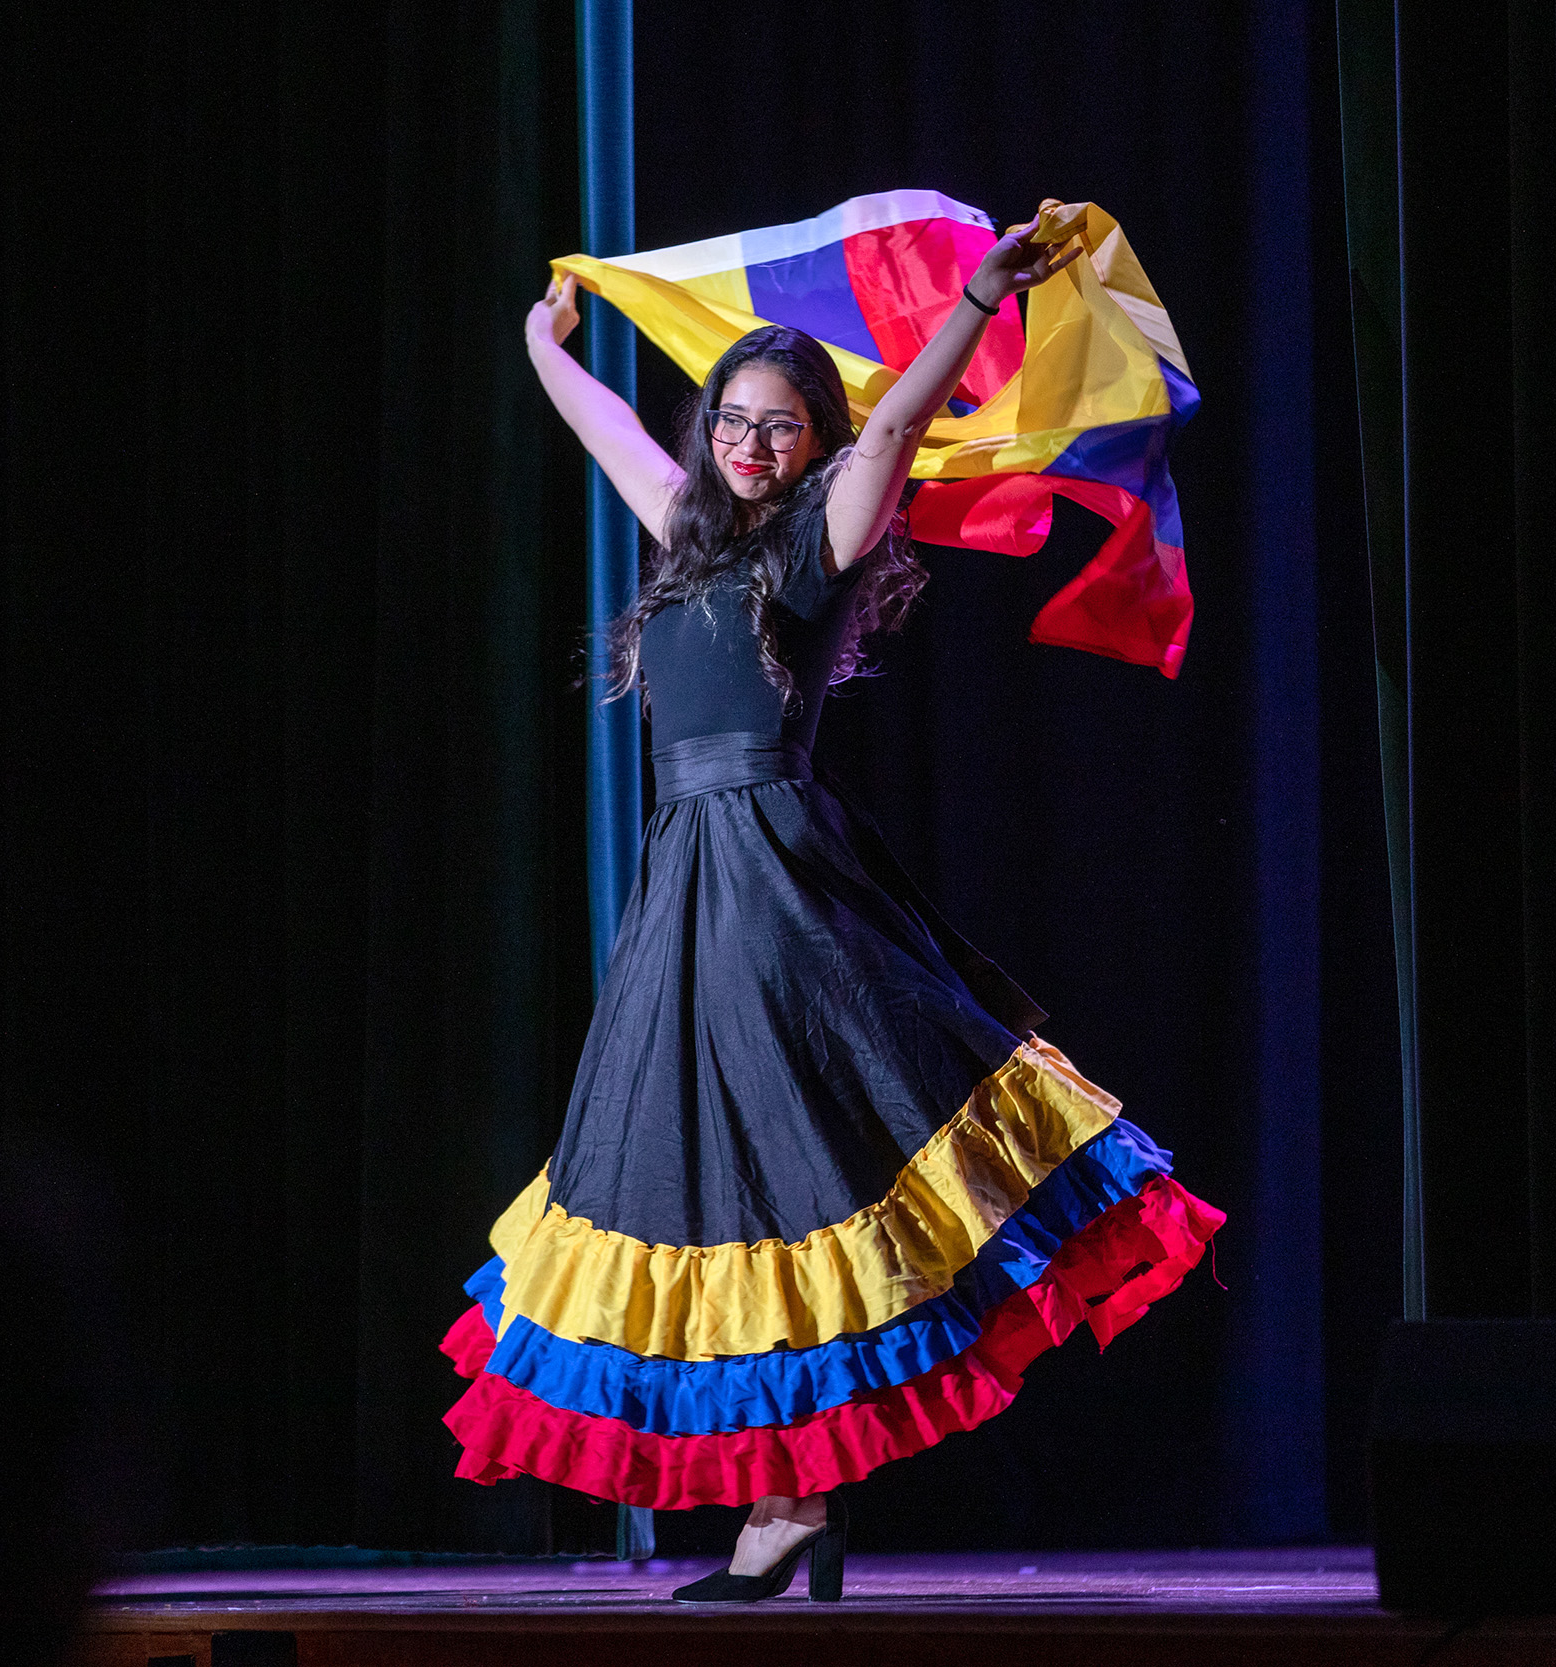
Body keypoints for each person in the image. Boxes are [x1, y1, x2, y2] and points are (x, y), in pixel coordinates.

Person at [439, 216, 1223, 1603]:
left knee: (776, 1174)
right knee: (717, 1184)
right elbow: (611, 432)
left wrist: (974, 301)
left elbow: (897, 427)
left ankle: (792, 1502)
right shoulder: (688, 539)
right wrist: (542, 349)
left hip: (771, 882)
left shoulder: (819, 545)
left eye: (781, 427)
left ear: (814, 447)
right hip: (687, 888)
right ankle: (791, 1500)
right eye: (733, 421)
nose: (751, 444)